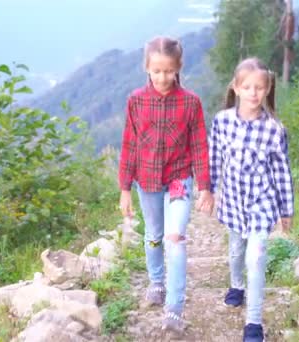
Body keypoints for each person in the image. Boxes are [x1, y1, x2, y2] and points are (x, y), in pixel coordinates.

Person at [118, 35, 213, 332]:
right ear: (146, 67)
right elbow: (129, 145)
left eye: (168, 71)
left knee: (175, 238)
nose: (162, 77)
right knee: (154, 236)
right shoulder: (136, 101)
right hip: (146, 181)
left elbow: (199, 145)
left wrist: (205, 186)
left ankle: (174, 308)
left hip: (178, 180)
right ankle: (156, 282)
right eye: (156, 71)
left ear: (178, 67)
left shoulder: (190, 103)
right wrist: (124, 189)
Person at [208, 57, 294, 342]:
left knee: (255, 258)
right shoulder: (222, 122)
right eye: (247, 87)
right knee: (236, 250)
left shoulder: (274, 129)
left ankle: (253, 323)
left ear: (268, 89)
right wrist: (208, 190)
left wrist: (286, 210)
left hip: (262, 201)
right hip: (233, 201)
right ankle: (236, 285)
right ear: (236, 87)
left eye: (260, 87)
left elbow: (281, 171)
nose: (254, 93)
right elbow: (215, 158)